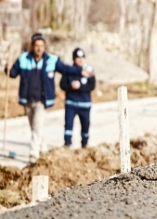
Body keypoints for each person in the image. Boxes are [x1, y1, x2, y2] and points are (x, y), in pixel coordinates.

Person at [4, 33, 93, 162]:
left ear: (44, 46)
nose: (39, 48)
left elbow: (66, 69)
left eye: (41, 46)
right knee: (35, 127)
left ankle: (33, 155)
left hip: (42, 100)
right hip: (28, 100)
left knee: (37, 126)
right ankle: (43, 148)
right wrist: (8, 68)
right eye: (36, 46)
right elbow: (12, 73)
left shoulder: (52, 60)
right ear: (32, 46)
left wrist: (80, 71)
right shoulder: (23, 59)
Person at [60, 48, 95, 148]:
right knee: (68, 125)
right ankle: (67, 144)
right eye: (78, 58)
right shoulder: (69, 71)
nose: (80, 60)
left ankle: (84, 143)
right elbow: (62, 84)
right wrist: (71, 86)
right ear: (74, 59)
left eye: (82, 57)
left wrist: (80, 86)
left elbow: (92, 86)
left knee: (85, 125)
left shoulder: (89, 70)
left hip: (85, 104)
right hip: (71, 103)